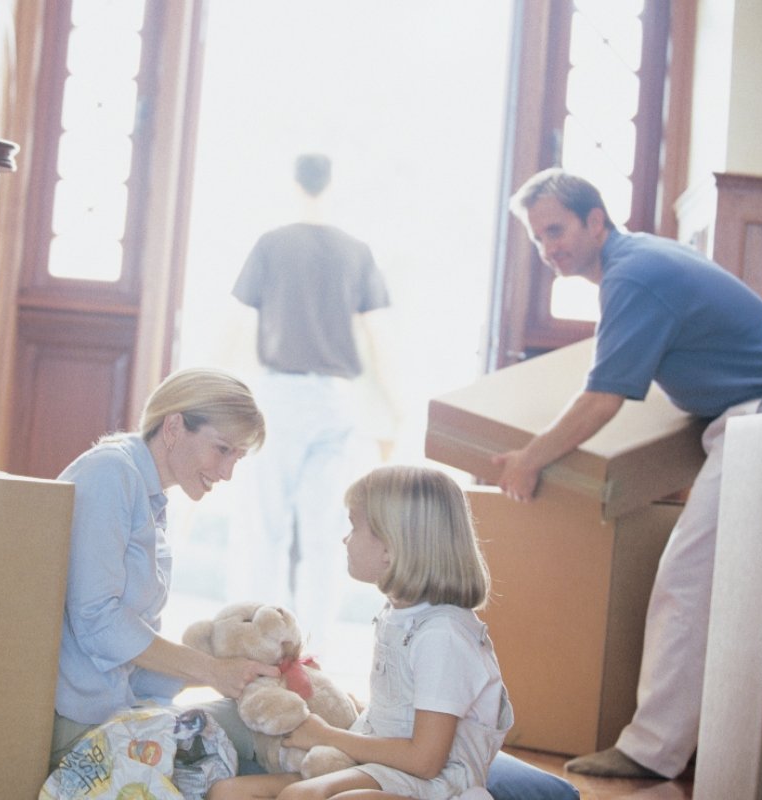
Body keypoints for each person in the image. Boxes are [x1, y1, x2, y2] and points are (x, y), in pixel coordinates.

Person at [495, 168, 762, 780]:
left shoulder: (632, 276)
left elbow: (604, 397)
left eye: (556, 230)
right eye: (538, 239)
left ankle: (650, 750)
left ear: (596, 219)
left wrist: (529, 460)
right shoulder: (638, 264)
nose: (549, 247)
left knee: (688, 578)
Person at [207, 465, 512, 800]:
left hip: (435, 785)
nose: (345, 538)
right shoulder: (398, 614)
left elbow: (426, 761)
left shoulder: (443, 636)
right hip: (377, 768)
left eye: (354, 526)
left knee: (306, 796)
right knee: (227, 792)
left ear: (391, 547)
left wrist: (326, 735)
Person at [50, 367, 281, 772]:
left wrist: (226, 669)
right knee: (268, 740)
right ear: (174, 426)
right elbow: (97, 621)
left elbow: (131, 668)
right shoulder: (111, 474)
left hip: (110, 711)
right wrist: (210, 669)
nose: (227, 473)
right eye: (222, 449)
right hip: (75, 730)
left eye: (237, 458)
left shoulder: (148, 495)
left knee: (264, 727)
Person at [229, 152, 396, 655]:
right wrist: (393, 405)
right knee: (325, 533)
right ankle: (310, 651)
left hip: (278, 394)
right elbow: (375, 338)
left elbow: (238, 326)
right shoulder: (356, 251)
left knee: (265, 527)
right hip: (334, 400)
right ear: (331, 184)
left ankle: (252, 645)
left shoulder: (271, 244)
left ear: (294, 183)